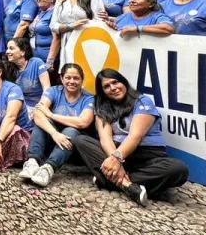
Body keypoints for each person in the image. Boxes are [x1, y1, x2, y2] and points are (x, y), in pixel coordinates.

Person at [73, 68, 189, 205]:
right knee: (80, 140)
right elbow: (105, 138)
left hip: (147, 157)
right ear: (102, 91)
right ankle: (128, 186)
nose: (113, 88)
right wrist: (115, 161)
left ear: (123, 82)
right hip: (117, 154)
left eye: (115, 82)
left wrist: (116, 159)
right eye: (106, 86)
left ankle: (108, 181)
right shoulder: (102, 108)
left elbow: (135, 136)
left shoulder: (142, 101)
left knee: (179, 169)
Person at [20, 63, 94, 187]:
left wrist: (52, 115)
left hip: (71, 146)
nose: (72, 81)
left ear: (82, 80)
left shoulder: (88, 98)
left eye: (76, 78)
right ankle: (32, 162)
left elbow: (83, 122)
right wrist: (54, 133)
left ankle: (48, 168)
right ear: (62, 78)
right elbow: (37, 113)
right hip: (51, 138)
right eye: (68, 77)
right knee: (42, 123)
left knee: (71, 130)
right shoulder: (53, 91)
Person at [48, 0, 107, 70]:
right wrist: (70, 26)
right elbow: (53, 25)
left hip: (88, 44)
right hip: (66, 45)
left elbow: (100, 23)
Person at [5, 37, 49, 112]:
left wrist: (40, 108)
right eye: (7, 48)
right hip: (21, 108)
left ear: (22, 52)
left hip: (40, 106)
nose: (7, 51)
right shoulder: (8, 68)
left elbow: (47, 88)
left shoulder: (37, 63)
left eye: (11, 48)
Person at [28, 0, 56, 71]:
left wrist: (50, 61)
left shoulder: (54, 13)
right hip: (37, 58)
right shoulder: (40, 11)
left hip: (49, 61)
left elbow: (56, 38)